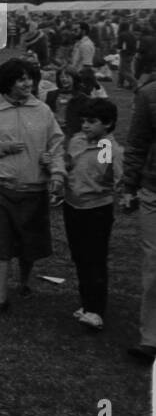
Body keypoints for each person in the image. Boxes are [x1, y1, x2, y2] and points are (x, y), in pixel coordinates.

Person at [0, 58, 65, 317]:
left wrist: (56, 172)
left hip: (33, 189)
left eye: (30, 78)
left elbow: (56, 146)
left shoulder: (43, 110)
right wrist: (1, 147)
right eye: (21, 79)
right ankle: (0, 298)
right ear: (7, 82)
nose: (28, 83)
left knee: (29, 244)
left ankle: (24, 282)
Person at [62, 98, 123, 332]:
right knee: (79, 257)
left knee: (95, 259)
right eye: (83, 121)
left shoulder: (108, 149)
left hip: (97, 209)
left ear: (107, 124)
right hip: (73, 206)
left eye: (92, 122)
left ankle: (96, 309)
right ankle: (86, 304)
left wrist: (122, 190)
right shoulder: (77, 140)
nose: (86, 125)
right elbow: (70, 165)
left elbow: (111, 175)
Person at [121, 52, 156, 362]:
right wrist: (129, 187)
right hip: (153, 191)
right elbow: (136, 144)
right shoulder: (148, 94)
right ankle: (150, 336)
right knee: (154, 266)